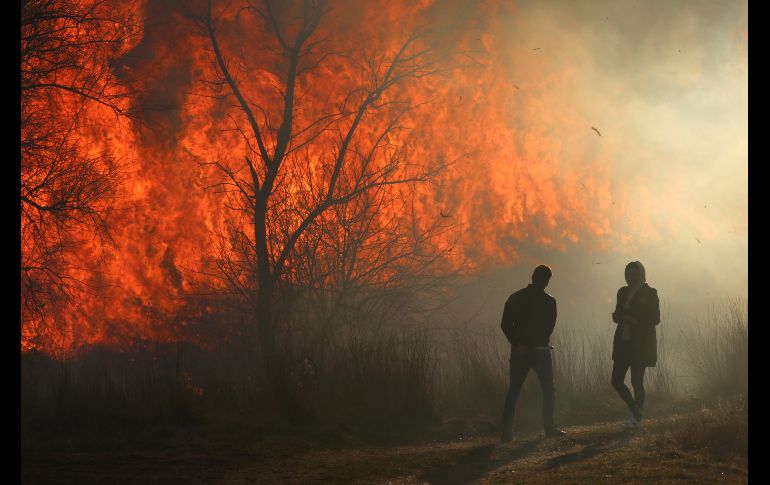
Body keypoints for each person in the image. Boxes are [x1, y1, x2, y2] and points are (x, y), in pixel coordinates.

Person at [500, 264, 566, 442]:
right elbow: (548, 328)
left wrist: (517, 343)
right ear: (547, 281)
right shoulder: (550, 301)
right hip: (540, 351)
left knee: (514, 390)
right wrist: (535, 342)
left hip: (520, 351)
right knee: (548, 389)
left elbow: (505, 324)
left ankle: (506, 432)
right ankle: (549, 427)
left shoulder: (515, 298)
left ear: (532, 277)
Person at [611, 261, 660, 430]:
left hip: (640, 345)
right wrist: (619, 316)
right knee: (616, 380)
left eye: (634, 274)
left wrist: (634, 319)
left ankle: (635, 419)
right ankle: (635, 411)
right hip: (623, 343)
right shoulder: (622, 292)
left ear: (641, 275)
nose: (630, 277)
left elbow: (655, 319)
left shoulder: (650, 293)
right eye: (627, 274)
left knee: (636, 381)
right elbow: (617, 314)